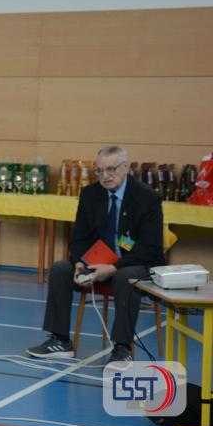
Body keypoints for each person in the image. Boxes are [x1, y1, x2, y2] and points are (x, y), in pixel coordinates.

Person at [26, 145, 164, 367]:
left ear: (125, 167)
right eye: (99, 171)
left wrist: (114, 267)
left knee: (125, 277)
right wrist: (81, 262)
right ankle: (60, 341)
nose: (105, 176)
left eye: (111, 169)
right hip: (98, 261)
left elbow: (150, 248)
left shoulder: (147, 198)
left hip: (136, 263)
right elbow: (78, 238)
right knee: (61, 269)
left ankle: (122, 348)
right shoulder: (90, 194)